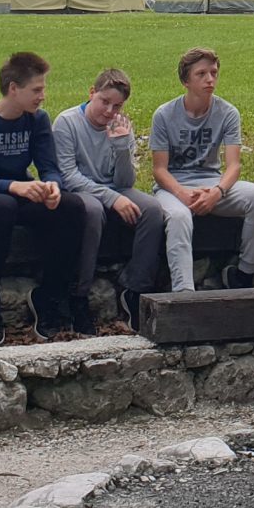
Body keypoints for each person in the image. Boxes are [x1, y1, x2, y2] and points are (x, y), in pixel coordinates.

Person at [0, 51, 100, 344]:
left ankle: (50, 294)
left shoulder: (37, 120)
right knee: (4, 207)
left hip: (16, 193)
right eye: (36, 90)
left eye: (43, 88)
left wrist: (52, 187)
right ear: (13, 89)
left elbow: (49, 167)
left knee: (72, 206)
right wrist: (14, 186)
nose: (42, 96)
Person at [148, 48, 254, 291]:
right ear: (186, 80)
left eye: (213, 73)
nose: (210, 79)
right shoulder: (164, 115)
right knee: (179, 217)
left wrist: (217, 191)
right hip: (174, 187)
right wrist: (182, 194)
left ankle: (244, 273)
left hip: (211, 182)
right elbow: (159, 170)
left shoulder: (227, 112)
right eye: (201, 74)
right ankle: (184, 292)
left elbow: (234, 165)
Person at [53, 70, 162, 328]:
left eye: (117, 106)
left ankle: (135, 287)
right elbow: (68, 176)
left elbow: (126, 182)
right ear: (91, 93)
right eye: (104, 101)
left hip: (114, 187)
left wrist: (122, 147)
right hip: (80, 191)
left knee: (152, 210)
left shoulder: (120, 125)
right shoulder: (67, 123)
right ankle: (79, 293)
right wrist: (111, 198)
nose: (110, 111)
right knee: (92, 211)